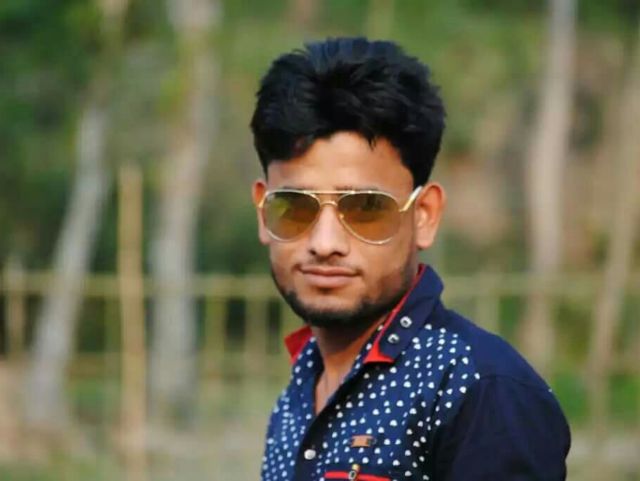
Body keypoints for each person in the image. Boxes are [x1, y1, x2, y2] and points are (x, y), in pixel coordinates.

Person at [250, 37, 570, 481]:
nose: (324, 243)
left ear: (424, 215)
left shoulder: (479, 390)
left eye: (365, 208)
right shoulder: (299, 391)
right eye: (296, 207)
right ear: (263, 212)